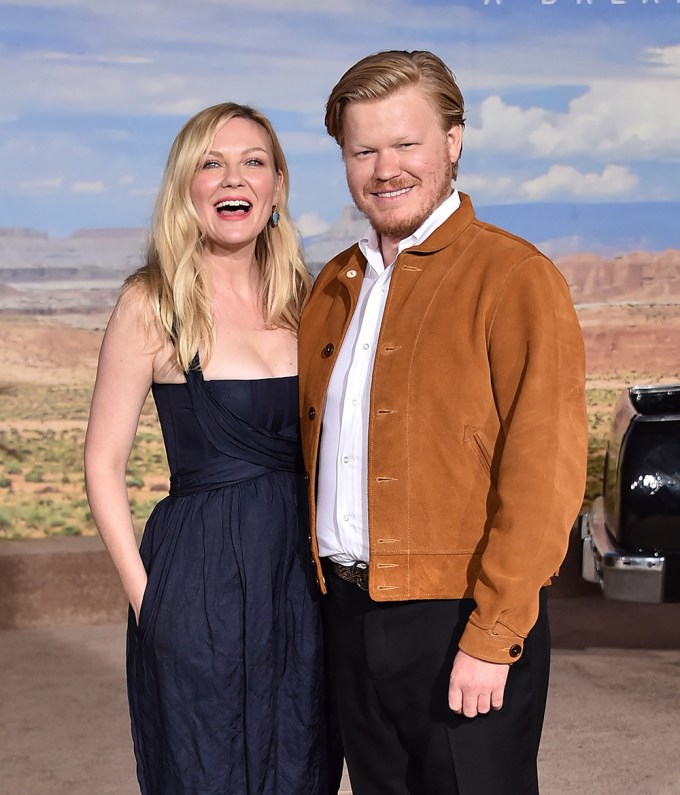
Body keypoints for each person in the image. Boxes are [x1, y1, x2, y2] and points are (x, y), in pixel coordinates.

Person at [298, 51, 588, 795]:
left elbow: (545, 473)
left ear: (453, 141)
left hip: (460, 617)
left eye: (406, 144)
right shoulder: (332, 286)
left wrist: (493, 636)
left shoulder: (516, 278)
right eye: (363, 150)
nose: (384, 168)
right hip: (349, 617)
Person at [84, 102, 326, 794]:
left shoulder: (308, 300)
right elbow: (103, 462)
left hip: (300, 580)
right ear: (186, 187)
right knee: (201, 764)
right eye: (212, 162)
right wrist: (147, 600)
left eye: (254, 161)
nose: (234, 177)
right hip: (195, 581)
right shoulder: (150, 303)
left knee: (300, 758)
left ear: (277, 185)